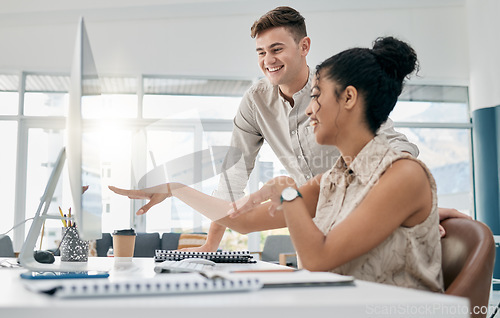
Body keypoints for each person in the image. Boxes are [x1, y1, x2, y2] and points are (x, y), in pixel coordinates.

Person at [110, 36, 444, 292]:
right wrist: (175, 189)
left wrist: (287, 192)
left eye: (317, 96)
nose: (309, 110)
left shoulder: (403, 175)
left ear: (349, 98)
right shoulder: (337, 176)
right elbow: (243, 222)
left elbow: (318, 260)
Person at [123, 6, 466, 250]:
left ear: (304, 47)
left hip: (357, 204)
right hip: (320, 208)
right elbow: (235, 180)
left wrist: (410, 199)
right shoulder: (259, 104)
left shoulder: (336, 89)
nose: (267, 60)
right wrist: (205, 233)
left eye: (276, 49)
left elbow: (390, 142)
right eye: (260, 52)